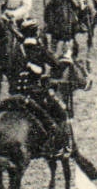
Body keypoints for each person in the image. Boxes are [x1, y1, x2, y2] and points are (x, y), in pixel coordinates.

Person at [7, 20, 75, 157]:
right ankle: (61, 146)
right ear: (36, 32)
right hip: (34, 93)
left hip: (15, 92)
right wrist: (66, 56)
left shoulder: (15, 50)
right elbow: (57, 67)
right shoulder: (40, 49)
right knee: (62, 113)